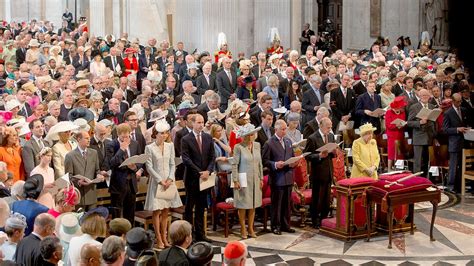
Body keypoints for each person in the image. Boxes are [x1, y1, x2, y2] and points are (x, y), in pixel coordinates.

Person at [144, 120, 182, 249]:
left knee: (166, 210)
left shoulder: (170, 146)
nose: (164, 135)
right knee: (157, 211)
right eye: (161, 133)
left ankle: (165, 238)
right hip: (157, 182)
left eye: (166, 133)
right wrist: (160, 180)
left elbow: (173, 163)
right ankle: (158, 238)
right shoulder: (149, 147)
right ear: (155, 134)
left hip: (169, 182)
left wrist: (170, 179)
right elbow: (149, 166)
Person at [181, 114, 215, 243]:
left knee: (201, 207)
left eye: (203, 122)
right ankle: (189, 236)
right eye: (199, 122)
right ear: (193, 123)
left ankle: (201, 234)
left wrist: (208, 171)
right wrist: (200, 172)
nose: (201, 125)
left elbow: (212, 157)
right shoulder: (186, 139)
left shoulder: (208, 137)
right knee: (190, 208)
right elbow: (186, 159)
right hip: (192, 178)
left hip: (205, 178)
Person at [262, 119, 297, 235]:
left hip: (288, 176)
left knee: (287, 203)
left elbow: (291, 156)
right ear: (276, 129)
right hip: (277, 178)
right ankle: (275, 226)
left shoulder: (288, 141)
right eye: (282, 129)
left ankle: (286, 225)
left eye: (285, 128)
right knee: (277, 204)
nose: (285, 131)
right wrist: (275, 164)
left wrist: (294, 162)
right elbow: (264, 161)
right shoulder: (269, 143)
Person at [106, 123, 144, 223]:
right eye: (122, 134)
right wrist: (122, 149)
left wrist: (135, 167)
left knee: (130, 213)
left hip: (131, 182)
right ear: (118, 134)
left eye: (127, 134)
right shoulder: (111, 145)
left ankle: (130, 236)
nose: (125, 136)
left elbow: (140, 160)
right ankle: (117, 236)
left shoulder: (135, 143)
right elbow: (111, 163)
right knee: (117, 213)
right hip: (118, 184)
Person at [232, 124, 263, 239]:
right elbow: (234, 164)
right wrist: (235, 180)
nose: (251, 137)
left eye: (252, 134)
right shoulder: (238, 147)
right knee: (243, 204)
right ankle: (243, 228)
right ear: (244, 136)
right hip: (242, 178)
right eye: (248, 135)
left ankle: (250, 228)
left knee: (253, 204)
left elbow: (260, 163)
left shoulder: (257, 145)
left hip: (255, 178)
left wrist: (261, 178)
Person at [304, 117, 335, 228]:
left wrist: (333, 151)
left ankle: (324, 218)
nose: (330, 129)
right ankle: (315, 220)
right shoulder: (312, 138)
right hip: (318, 173)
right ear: (321, 126)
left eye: (331, 127)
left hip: (328, 171)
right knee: (317, 198)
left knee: (326, 199)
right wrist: (319, 156)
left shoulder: (331, 136)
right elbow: (307, 155)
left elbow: (333, 154)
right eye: (328, 127)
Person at [64, 131, 105, 211]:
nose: (89, 140)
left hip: (91, 193)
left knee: (91, 221)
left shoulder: (94, 153)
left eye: (89, 138)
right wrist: (78, 181)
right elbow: (69, 176)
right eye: (86, 138)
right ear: (79, 139)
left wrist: (99, 175)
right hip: (79, 195)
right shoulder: (70, 156)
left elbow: (97, 170)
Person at [443, 93, 471, 193]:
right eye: (458, 101)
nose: (460, 103)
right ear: (453, 101)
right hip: (454, 142)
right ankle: (450, 186)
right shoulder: (448, 113)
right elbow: (445, 129)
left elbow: (466, 123)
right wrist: (457, 129)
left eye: (461, 101)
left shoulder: (463, 110)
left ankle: (459, 185)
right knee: (453, 166)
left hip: (464, 141)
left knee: (462, 165)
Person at [407, 89, 437, 177]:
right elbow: (409, 122)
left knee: (427, 160)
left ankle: (425, 180)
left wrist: (434, 133)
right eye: (423, 95)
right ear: (419, 97)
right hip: (419, 137)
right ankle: (417, 181)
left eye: (426, 95)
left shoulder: (432, 106)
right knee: (418, 161)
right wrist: (419, 122)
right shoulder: (414, 107)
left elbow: (434, 122)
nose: (425, 97)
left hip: (429, 136)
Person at [384, 96, 408, 171]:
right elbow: (388, 125)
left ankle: (399, 168)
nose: (403, 108)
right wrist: (396, 125)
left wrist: (402, 124)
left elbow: (403, 121)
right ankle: (389, 168)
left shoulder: (403, 112)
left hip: (400, 134)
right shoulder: (388, 112)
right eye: (402, 107)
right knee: (391, 152)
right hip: (392, 135)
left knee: (400, 152)